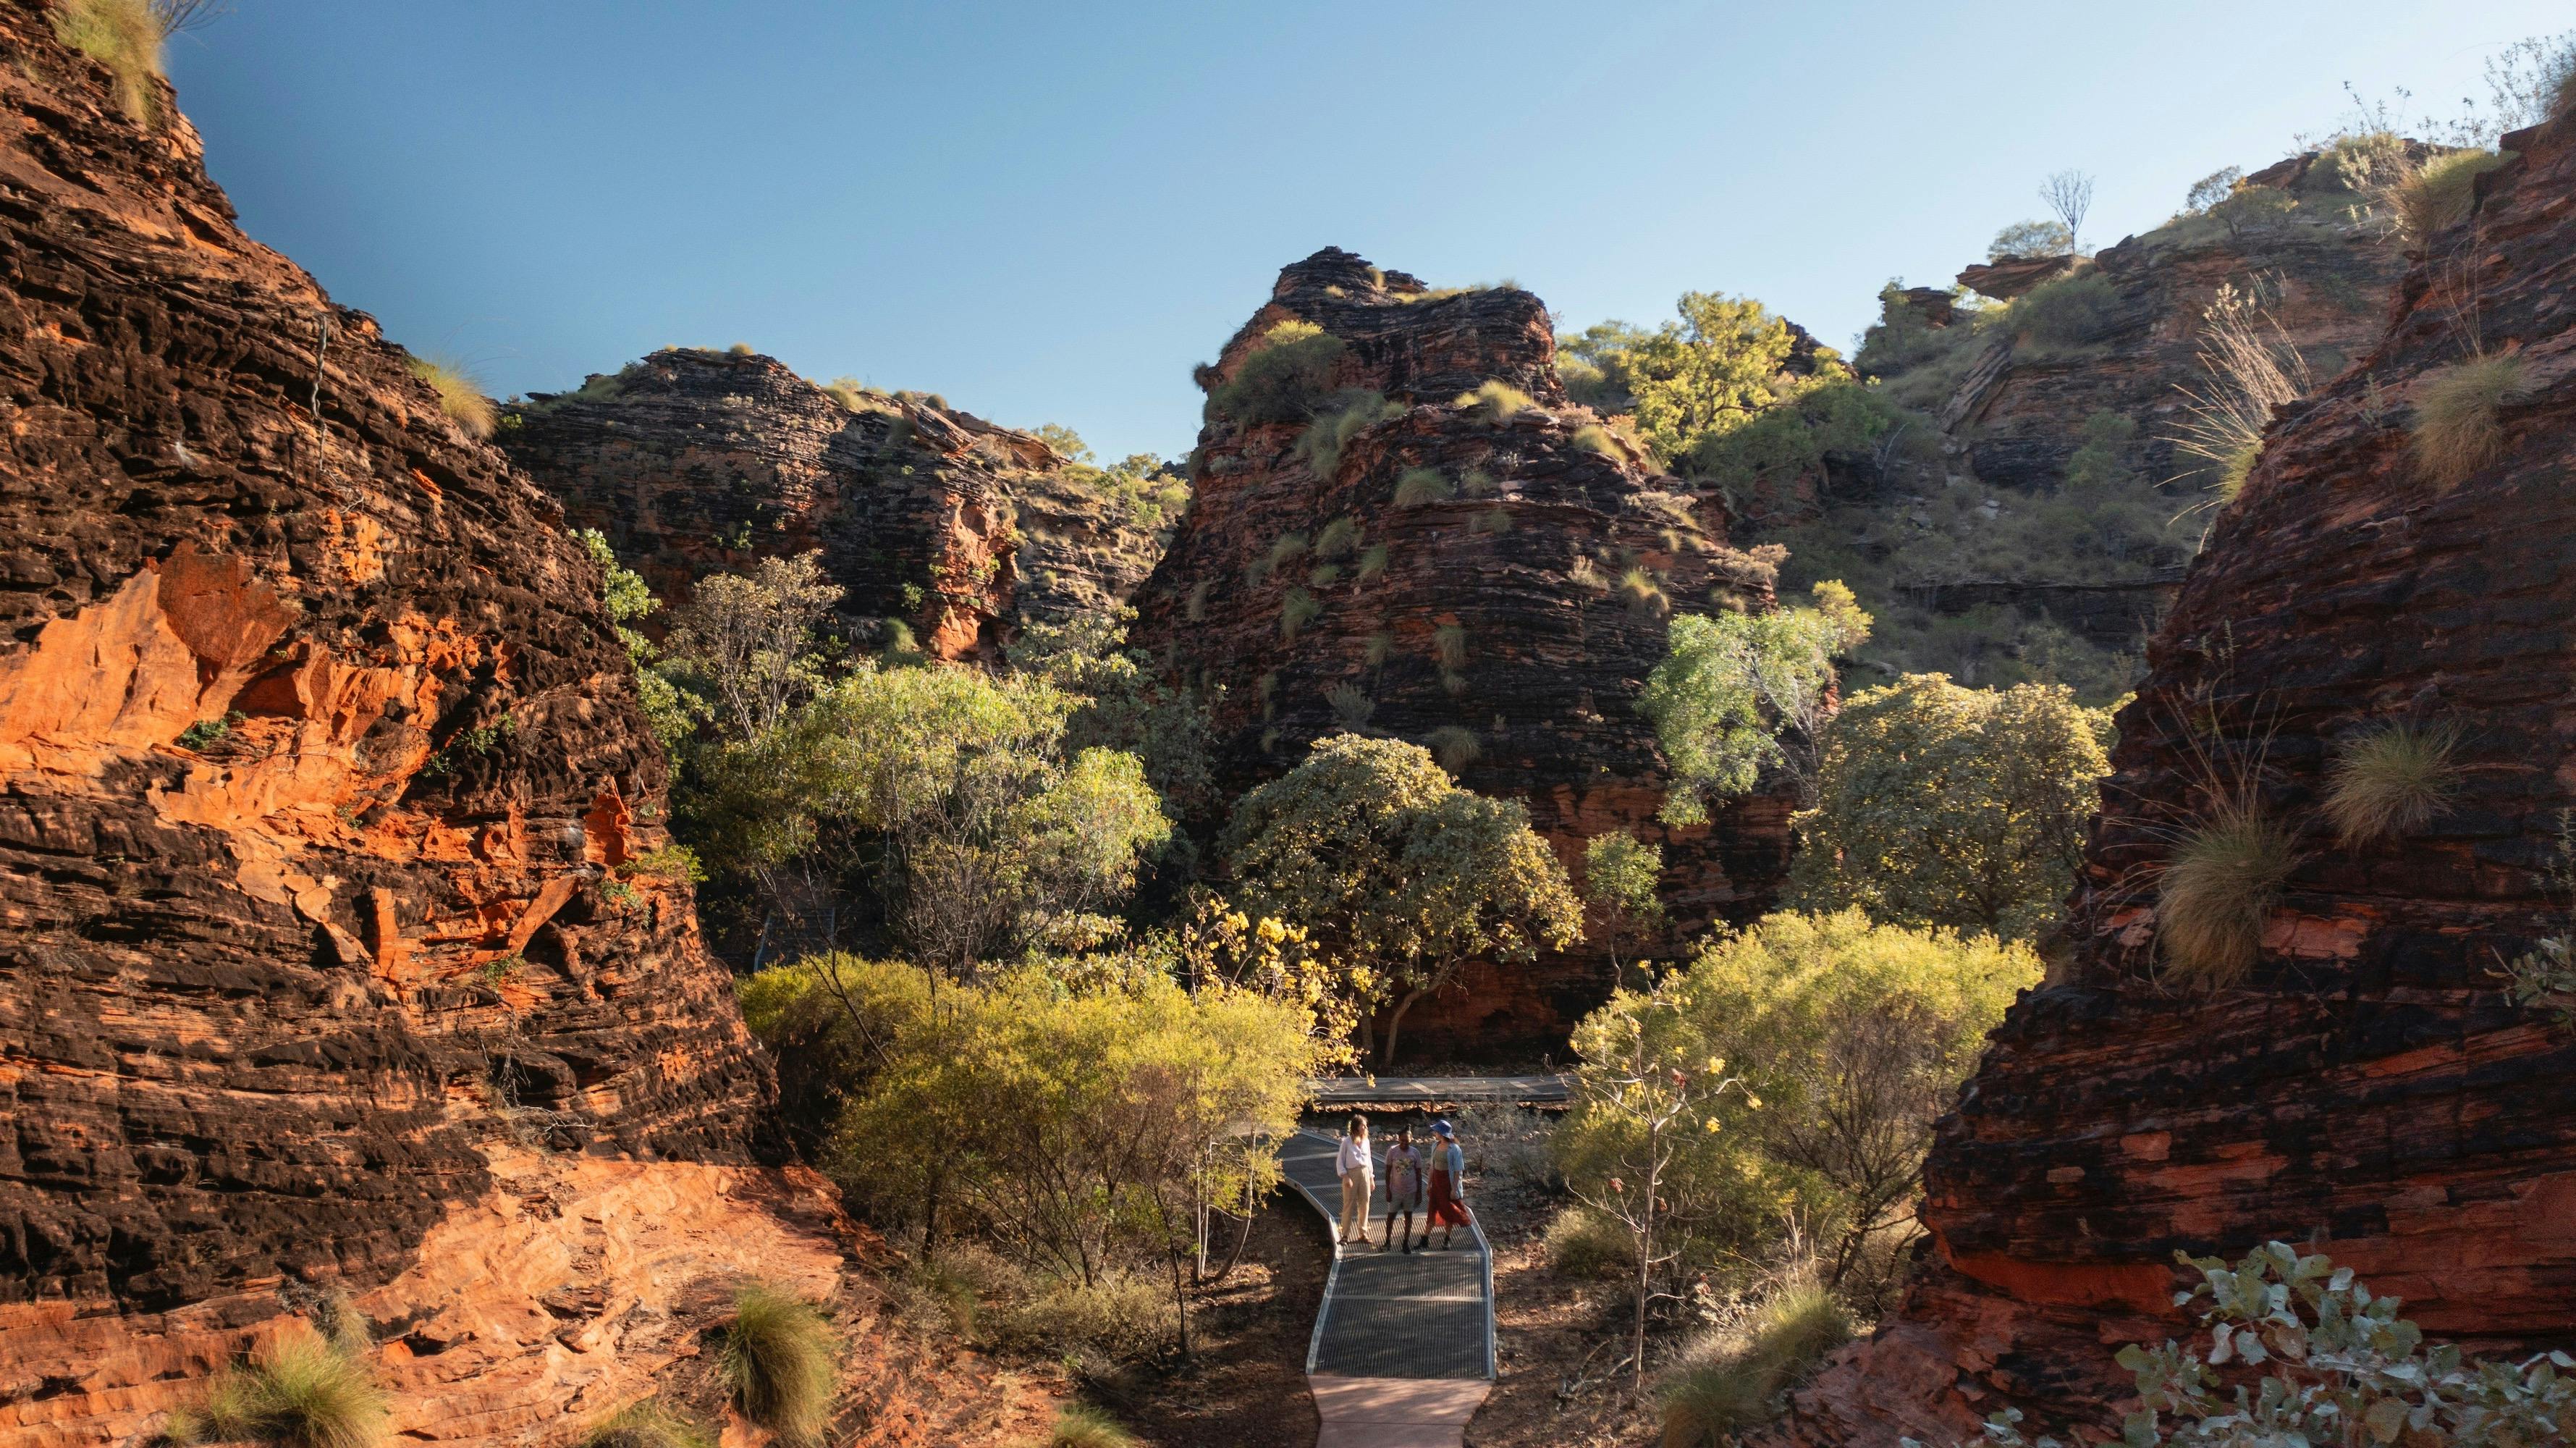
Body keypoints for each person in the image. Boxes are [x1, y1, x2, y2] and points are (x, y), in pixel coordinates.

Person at [1424, 1119, 1471, 1250]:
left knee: (1448, 1210)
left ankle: (1447, 1239)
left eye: (1436, 1131)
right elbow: (1432, 1166)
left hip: (1448, 1183)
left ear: (1441, 1133)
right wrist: (1429, 1184)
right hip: (1436, 1181)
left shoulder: (1455, 1149)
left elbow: (1458, 1170)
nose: (1435, 1133)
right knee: (1432, 1209)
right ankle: (1425, 1238)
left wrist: (1454, 1189)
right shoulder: (1435, 1146)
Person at [1381, 1125, 1425, 1254]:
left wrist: (1419, 1192)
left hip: (1411, 1190)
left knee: (1408, 1216)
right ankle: (1388, 1240)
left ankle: (1405, 1242)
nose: (1404, 1143)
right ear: (1398, 1139)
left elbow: (1419, 1173)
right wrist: (1388, 1190)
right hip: (1395, 1190)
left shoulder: (1415, 1153)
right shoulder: (1392, 1151)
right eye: (1402, 1140)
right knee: (1391, 1216)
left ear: (1411, 1140)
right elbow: (1388, 1171)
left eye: (1407, 1141)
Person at [1333, 1115, 1373, 1246]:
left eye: (1366, 1126)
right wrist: (1345, 1177)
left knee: (1365, 1202)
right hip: (1351, 1173)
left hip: (1365, 1172)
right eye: (1363, 1125)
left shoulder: (1366, 1141)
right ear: (1356, 1127)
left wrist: (1371, 1178)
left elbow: (1369, 1160)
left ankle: (1363, 1232)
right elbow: (1340, 1161)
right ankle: (1345, 1234)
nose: (1365, 1128)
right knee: (1349, 1204)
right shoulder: (1347, 1142)